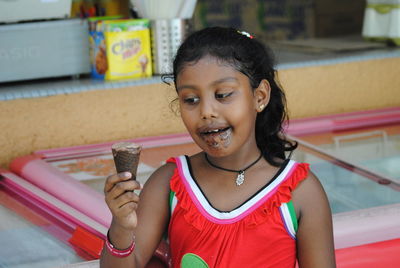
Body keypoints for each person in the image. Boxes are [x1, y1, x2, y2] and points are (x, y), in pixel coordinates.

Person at [100, 27, 336, 268]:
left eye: (223, 95)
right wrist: (121, 226)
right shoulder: (167, 184)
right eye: (191, 100)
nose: (206, 112)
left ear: (260, 96)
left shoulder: (301, 192)